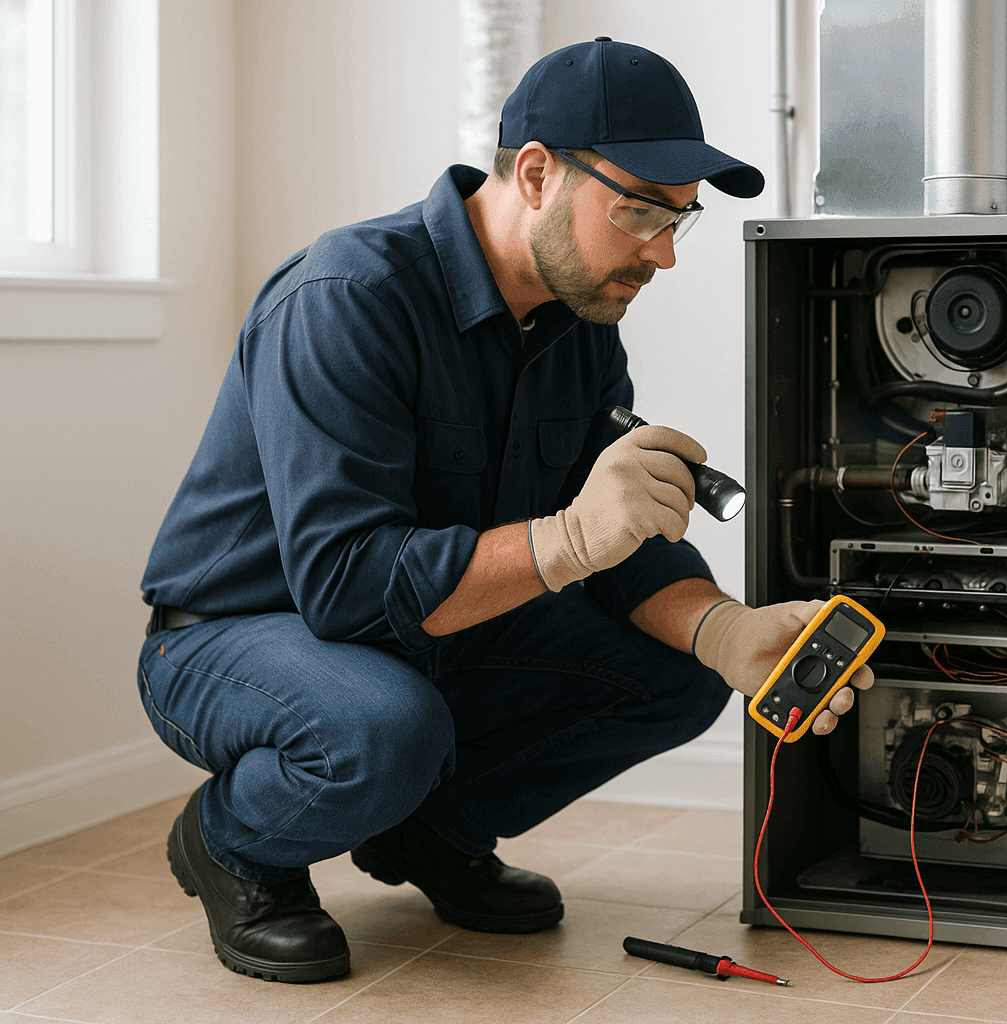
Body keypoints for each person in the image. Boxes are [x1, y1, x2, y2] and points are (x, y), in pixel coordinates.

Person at [136, 37, 872, 984]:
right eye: (639, 210)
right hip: (236, 638)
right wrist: (569, 539)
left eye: (677, 221)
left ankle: (428, 833)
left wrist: (723, 629)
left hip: (417, 635)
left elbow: (618, 540)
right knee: (385, 729)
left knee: (676, 669)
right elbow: (348, 589)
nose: (662, 254)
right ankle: (235, 843)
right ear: (535, 173)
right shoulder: (346, 296)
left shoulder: (579, 325)